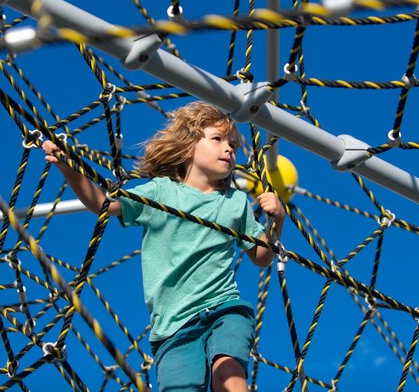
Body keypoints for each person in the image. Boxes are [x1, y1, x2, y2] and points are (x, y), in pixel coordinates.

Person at [43, 101, 285, 392]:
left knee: (229, 372)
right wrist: (69, 168)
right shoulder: (161, 192)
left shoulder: (236, 203)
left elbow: (261, 257)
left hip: (224, 308)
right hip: (173, 327)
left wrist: (277, 221)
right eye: (218, 139)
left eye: (234, 144)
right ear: (188, 147)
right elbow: (103, 204)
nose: (230, 149)